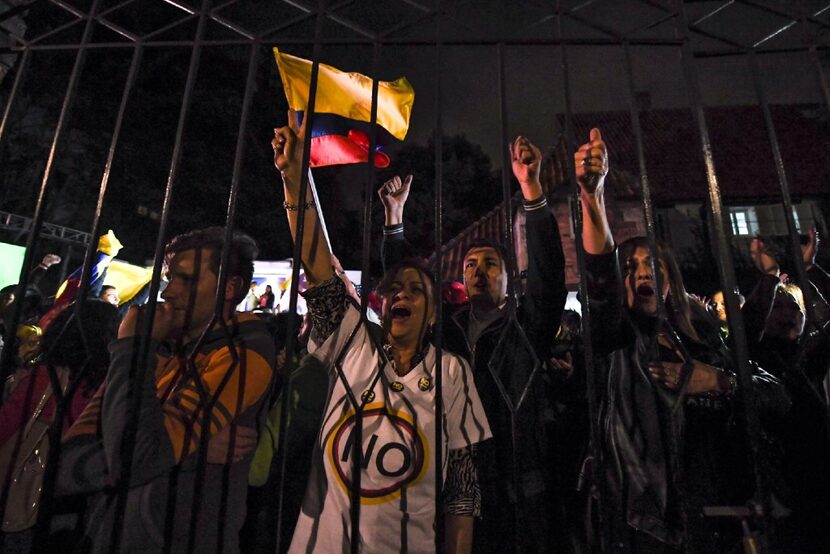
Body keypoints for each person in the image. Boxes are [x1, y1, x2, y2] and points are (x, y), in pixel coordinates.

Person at [273, 110, 491, 553]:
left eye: (415, 289)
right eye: (393, 289)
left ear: (433, 315)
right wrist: (296, 178)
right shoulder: (353, 344)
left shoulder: (452, 373)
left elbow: (462, 493)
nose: (401, 296)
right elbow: (318, 267)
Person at [575, 128, 788, 552]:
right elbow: (598, 282)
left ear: (670, 279)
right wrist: (591, 197)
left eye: (652, 264)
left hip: (717, 517)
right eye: (629, 267)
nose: (640, 273)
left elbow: (776, 396)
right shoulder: (616, 340)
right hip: (643, 523)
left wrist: (717, 381)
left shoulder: (706, 341)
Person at [379, 137, 568, 552]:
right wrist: (394, 219)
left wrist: (532, 192)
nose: (477, 271)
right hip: (453, 481)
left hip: (518, 483)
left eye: (490, 264)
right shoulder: (448, 330)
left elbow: (550, 276)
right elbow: (406, 283)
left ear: (508, 278)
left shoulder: (528, 326)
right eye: (470, 265)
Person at [61, 227, 276, 553]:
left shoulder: (243, 353)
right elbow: (68, 463)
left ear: (230, 288)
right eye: (170, 277)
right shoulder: (159, 347)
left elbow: (132, 458)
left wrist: (133, 348)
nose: (168, 292)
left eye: (187, 280)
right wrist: (188, 451)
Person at [0, 299, 119, 551]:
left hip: (31, 497)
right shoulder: (113, 385)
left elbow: (6, 424)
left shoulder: (47, 377)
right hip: (82, 498)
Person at [742, 238, 830, 550]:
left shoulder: (805, 358)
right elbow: (747, 325)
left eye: (794, 306)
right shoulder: (756, 354)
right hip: (780, 479)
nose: (788, 313)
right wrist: (770, 276)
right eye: (777, 306)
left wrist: (808, 270)